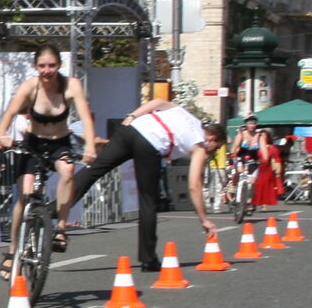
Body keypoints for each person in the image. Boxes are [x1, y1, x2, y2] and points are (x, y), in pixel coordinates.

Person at [56, 99, 222, 273]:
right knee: (148, 201)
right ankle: (148, 259)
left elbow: (158, 102)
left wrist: (132, 115)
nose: (212, 152)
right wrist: (204, 220)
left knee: (94, 170)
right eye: (215, 148)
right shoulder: (199, 145)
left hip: (131, 129)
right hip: (150, 144)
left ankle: (53, 210)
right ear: (211, 138)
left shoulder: (184, 113)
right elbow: (194, 186)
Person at [0, 44, 98, 269]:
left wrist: (90, 145)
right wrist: (1, 134)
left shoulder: (72, 86)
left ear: (59, 65)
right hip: (33, 144)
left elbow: (86, 118)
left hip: (59, 144)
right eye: (42, 66)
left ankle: (60, 228)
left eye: (51, 65)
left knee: (68, 171)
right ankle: (12, 250)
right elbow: (11, 112)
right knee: (24, 194)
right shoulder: (30, 87)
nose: (47, 70)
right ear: (35, 66)